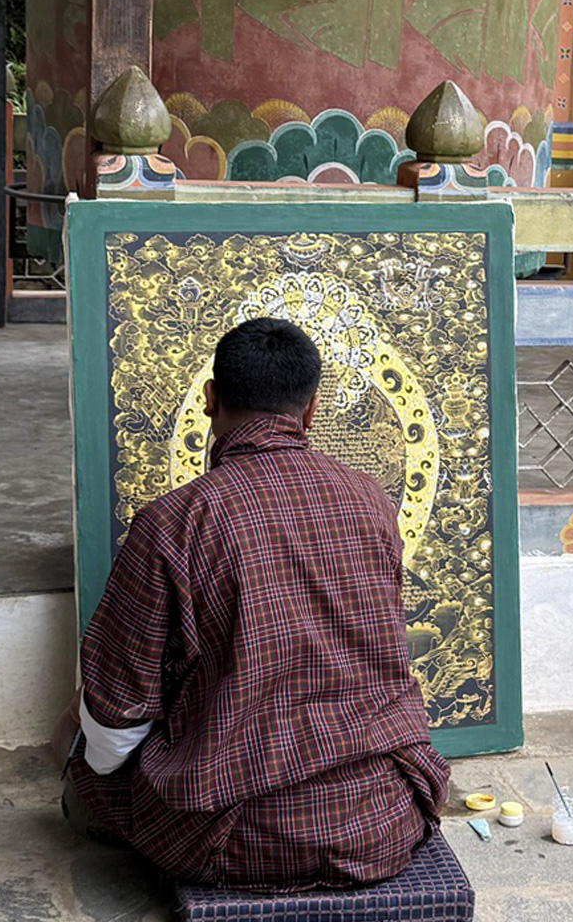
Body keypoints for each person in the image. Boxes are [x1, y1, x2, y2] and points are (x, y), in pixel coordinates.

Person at [54, 317, 450, 891]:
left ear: (211, 400)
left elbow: (118, 718)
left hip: (238, 840)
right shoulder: (372, 500)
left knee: (80, 764)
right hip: (385, 816)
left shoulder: (174, 521)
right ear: (310, 411)